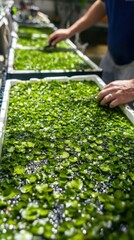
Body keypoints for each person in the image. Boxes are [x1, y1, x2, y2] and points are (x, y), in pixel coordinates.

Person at [48, 0, 134, 108]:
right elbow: (103, 4)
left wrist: (132, 86)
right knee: (103, 98)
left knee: (126, 110)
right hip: (112, 54)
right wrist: (70, 31)